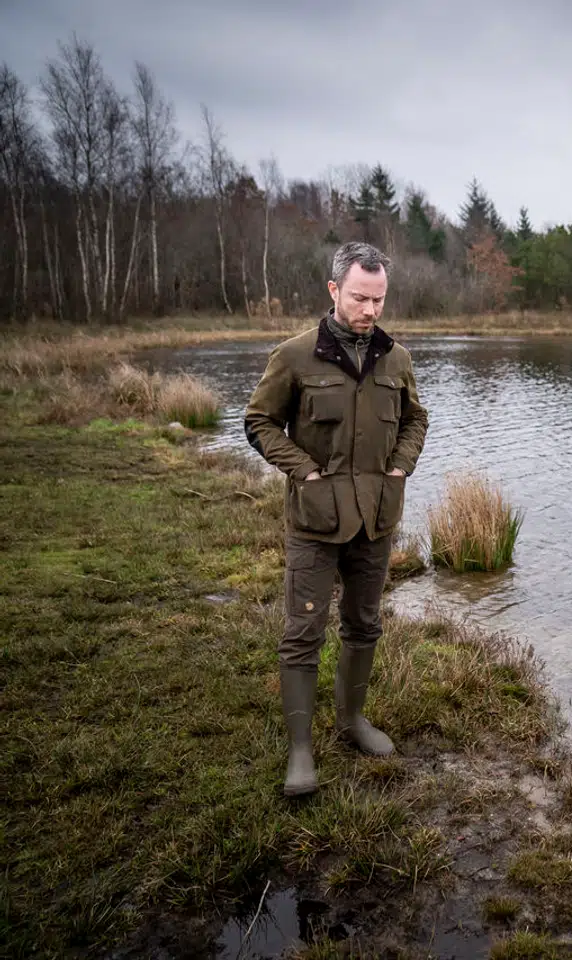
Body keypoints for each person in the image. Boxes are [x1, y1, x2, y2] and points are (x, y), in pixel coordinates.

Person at [243, 241, 428, 797]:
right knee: (303, 632)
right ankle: (301, 751)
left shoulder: (396, 358)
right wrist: (305, 472)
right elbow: (259, 422)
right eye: (358, 298)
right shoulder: (295, 356)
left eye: (378, 300)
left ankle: (352, 723)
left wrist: (399, 469)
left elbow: (417, 419)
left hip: (376, 519)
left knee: (365, 623)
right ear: (333, 291)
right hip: (315, 520)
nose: (370, 311)